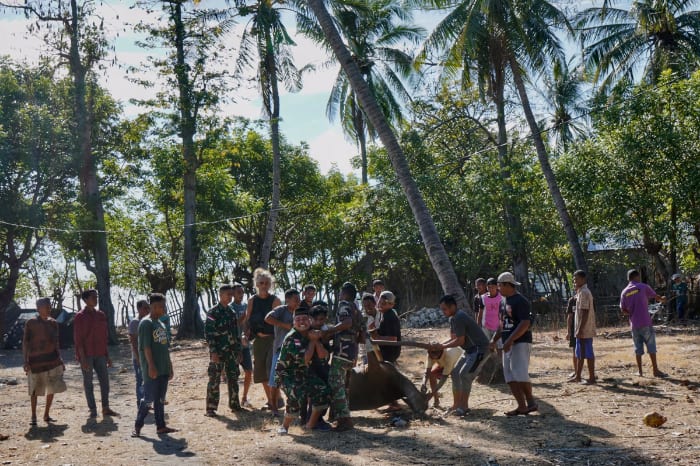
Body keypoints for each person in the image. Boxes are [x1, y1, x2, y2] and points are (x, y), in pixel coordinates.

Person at [432, 294, 490, 416]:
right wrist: (440, 345)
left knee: (465, 375)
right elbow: (454, 338)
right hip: (469, 351)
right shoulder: (453, 318)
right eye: (442, 309)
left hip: (480, 350)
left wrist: (442, 347)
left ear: (453, 306)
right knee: (455, 373)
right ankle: (456, 404)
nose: (443, 312)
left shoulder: (459, 317)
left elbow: (460, 341)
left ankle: (464, 407)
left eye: (445, 309)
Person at [275, 307, 331, 434]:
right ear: (293, 322)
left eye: (305, 319)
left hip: (303, 372)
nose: (301, 322)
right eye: (298, 319)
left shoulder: (313, 332)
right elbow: (305, 359)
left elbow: (323, 355)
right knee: (295, 394)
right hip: (286, 374)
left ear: (310, 320)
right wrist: (312, 341)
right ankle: (284, 426)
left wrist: (316, 340)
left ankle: (310, 426)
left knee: (323, 390)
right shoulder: (292, 337)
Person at [489, 272, 537, 416]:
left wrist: (510, 340)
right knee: (509, 376)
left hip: (520, 342)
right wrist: (494, 339)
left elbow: (525, 323)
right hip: (506, 343)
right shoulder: (503, 302)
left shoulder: (520, 301)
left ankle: (531, 402)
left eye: (499, 285)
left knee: (520, 374)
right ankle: (522, 406)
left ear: (507, 285)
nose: (498, 288)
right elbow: (502, 324)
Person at [132, 293, 177, 437]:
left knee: (160, 399)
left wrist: (169, 366)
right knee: (149, 399)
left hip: (163, 367)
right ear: (154, 306)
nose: (164, 309)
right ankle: (138, 425)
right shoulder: (146, 323)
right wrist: (151, 366)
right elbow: (146, 347)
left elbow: (165, 347)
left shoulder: (162, 323)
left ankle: (161, 426)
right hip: (152, 369)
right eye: (162, 306)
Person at [73, 289, 118, 418]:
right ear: (86, 300)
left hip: (100, 353)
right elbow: (78, 340)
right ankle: (92, 409)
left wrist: (107, 356)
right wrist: (82, 358)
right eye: (93, 297)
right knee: (88, 382)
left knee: (105, 381)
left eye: (96, 296)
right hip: (86, 354)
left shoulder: (101, 315)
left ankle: (105, 407)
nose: (95, 299)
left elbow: (104, 337)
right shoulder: (80, 316)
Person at [23, 298, 66, 426]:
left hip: (52, 361)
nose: (49, 308)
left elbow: (56, 342)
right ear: (38, 308)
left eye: (49, 306)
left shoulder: (53, 323)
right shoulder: (31, 323)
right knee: (35, 390)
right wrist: (25, 361)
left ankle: (46, 414)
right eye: (46, 306)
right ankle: (33, 416)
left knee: (52, 388)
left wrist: (60, 360)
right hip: (35, 362)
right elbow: (25, 342)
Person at [243, 268, 281, 410]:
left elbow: (279, 321)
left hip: (273, 340)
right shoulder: (252, 300)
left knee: (272, 370)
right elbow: (247, 320)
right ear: (256, 284)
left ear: (270, 284)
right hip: (258, 341)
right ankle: (271, 400)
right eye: (261, 283)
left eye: (267, 283)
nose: (264, 285)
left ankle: (274, 401)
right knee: (261, 372)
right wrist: (245, 333)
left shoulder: (275, 300)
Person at [327, 282, 363, 432]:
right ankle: (339, 415)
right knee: (345, 385)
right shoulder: (357, 309)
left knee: (335, 382)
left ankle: (344, 419)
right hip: (352, 351)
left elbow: (346, 322)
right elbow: (361, 334)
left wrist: (330, 331)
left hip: (343, 349)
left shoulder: (344, 304)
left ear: (344, 293)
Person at [205, 284, 243, 417]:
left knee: (233, 377)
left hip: (231, 352)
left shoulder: (231, 312)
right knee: (214, 378)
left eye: (231, 295)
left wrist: (239, 351)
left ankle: (235, 404)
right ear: (220, 295)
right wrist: (213, 351)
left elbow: (236, 333)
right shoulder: (212, 312)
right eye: (228, 295)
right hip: (218, 351)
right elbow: (209, 333)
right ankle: (211, 408)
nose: (230, 297)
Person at [620, 269, 667, 377]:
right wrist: (663, 299)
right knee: (651, 347)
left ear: (628, 278)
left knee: (638, 348)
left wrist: (632, 313)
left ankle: (640, 372)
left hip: (634, 324)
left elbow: (623, 309)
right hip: (646, 322)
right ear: (637, 277)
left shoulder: (624, 292)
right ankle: (655, 370)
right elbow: (657, 297)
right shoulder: (643, 287)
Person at [265, 289, 301, 417]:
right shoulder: (281, 310)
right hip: (280, 350)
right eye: (296, 299)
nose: (298, 301)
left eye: (299, 299)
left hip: (296, 352)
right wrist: (285, 325)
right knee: (275, 380)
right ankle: (274, 407)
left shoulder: (300, 311)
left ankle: (297, 408)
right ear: (288, 300)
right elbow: (267, 318)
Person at [568, 270, 596, 384]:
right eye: (574, 280)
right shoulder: (580, 292)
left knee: (587, 353)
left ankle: (591, 377)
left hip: (584, 329)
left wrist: (579, 329)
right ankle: (578, 376)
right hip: (582, 329)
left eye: (577, 279)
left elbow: (584, 312)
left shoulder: (584, 292)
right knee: (580, 353)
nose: (575, 281)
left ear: (583, 279)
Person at [231, 283, 253, 408]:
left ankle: (244, 397)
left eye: (242, 292)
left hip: (244, 345)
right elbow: (235, 324)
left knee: (249, 371)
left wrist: (248, 332)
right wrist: (245, 315)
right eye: (238, 292)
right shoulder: (230, 308)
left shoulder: (245, 306)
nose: (241, 294)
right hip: (234, 346)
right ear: (233, 294)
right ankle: (234, 400)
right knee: (234, 374)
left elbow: (246, 323)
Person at [129, 300, 150, 404]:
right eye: (145, 308)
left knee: (148, 379)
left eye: (148, 308)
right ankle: (140, 401)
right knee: (140, 380)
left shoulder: (149, 321)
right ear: (138, 309)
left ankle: (147, 400)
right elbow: (133, 342)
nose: (147, 310)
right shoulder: (135, 322)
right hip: (139, 356)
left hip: (148, 356)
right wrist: (137, 358)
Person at [374, 290, 401, 363]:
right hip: (386, 351)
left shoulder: (389, 316)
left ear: (391, 305)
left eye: (384, 303)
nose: (380, 305)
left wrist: (376, 337)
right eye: (379, 302)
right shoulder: (385, 314)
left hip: (389, 353)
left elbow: (393, 339)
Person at [564, 295, 578, 379]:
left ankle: (591, 374)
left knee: (587, 351)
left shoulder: (588, 297)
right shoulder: (572, 300)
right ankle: (576, 372)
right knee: (575, 351)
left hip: (585, 330)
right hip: (574, 330)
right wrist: (568, 332)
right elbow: (569, 317)